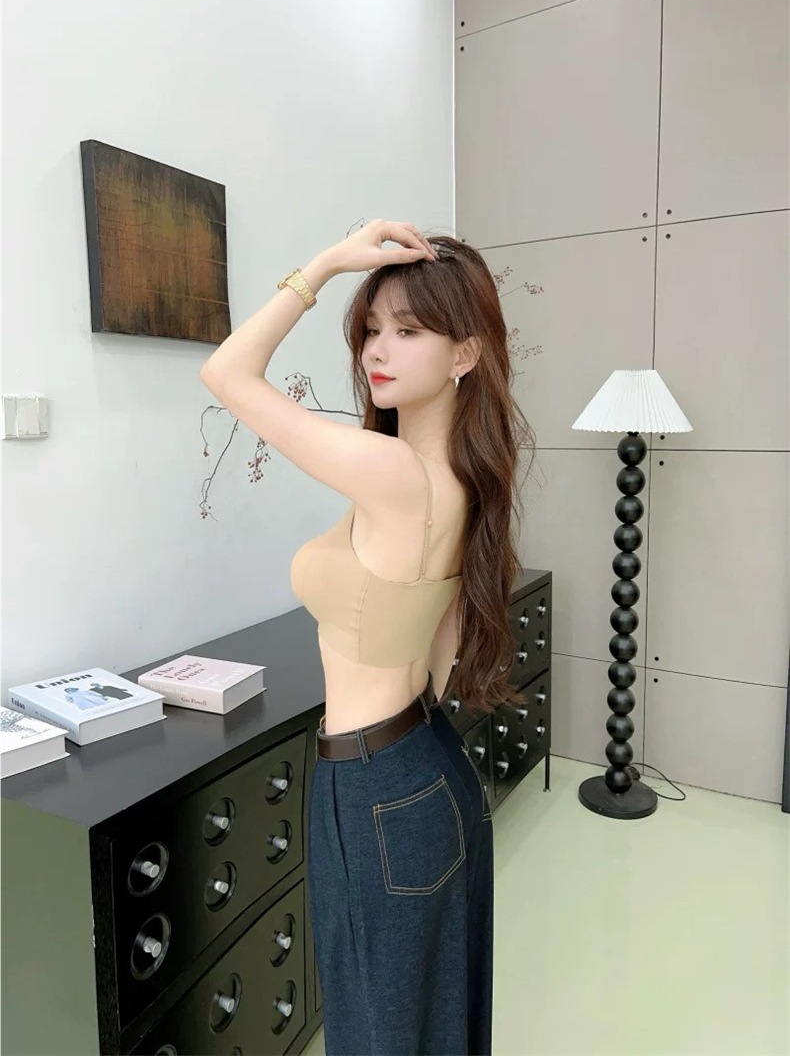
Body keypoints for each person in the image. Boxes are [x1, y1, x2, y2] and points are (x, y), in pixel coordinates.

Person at [202, 216, 527, 1052]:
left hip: (375, 785)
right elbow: (438, 647)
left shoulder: (393, 473)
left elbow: (226, 372)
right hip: (427, 765)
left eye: (409, 331)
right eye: (372, 327)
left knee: (378, 1033)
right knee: (435, 1024)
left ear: (464, 353)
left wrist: (328, 263)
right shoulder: (458, 475)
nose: (378, 349)